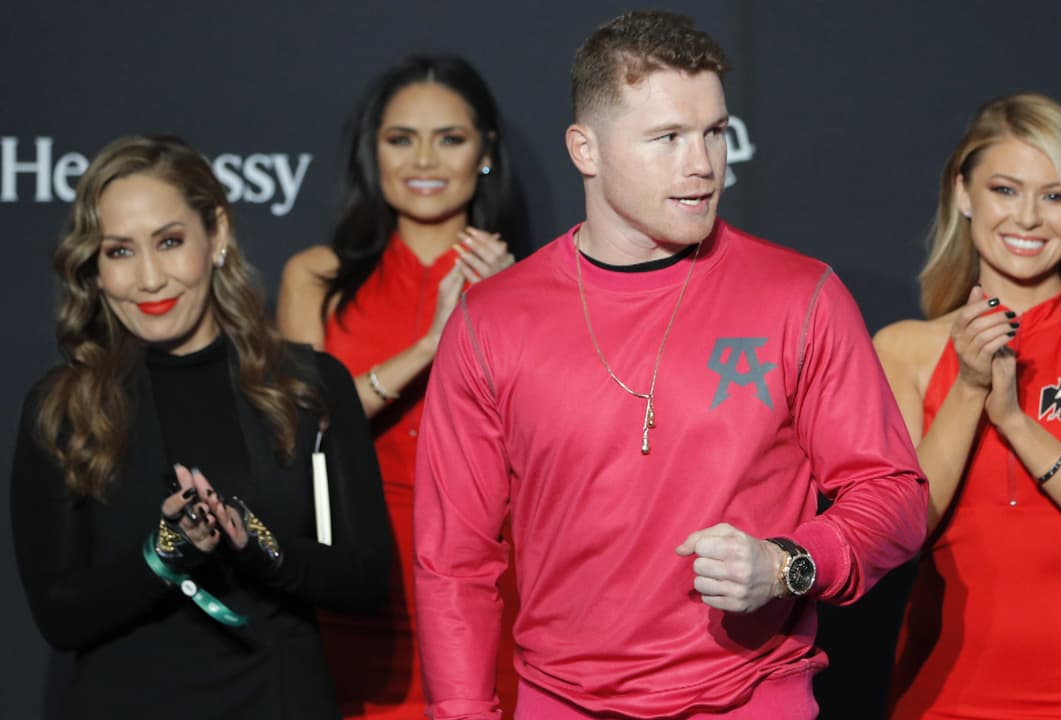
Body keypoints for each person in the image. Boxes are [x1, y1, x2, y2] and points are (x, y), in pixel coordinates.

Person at [413, 11, 928, 719]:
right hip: (561, 702)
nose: (702, 164)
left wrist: (786, 563)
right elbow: (453, 562)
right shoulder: (491, 321)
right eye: (667, 138)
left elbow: (893, 496)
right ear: (586, 150)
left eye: (714, 132)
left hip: (754, 698)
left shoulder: (800, 295)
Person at [10, 135, 392, 719]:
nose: (149, 278)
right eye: (119, 251)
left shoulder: (308, 386)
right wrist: (165, 554)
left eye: (169, 242)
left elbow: (365, 581)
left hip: (279, 699)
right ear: (95, 269)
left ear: (217, 234)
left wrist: (258, 544)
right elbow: (58, 614)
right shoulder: (63, 407)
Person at [875, 94, 1061, 718]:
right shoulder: (904, 350)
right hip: (942, 687)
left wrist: (1015, 421)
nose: (1029, 217)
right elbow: (903, 529)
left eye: (1055, 196)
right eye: (1006, 190)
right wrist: (969, 387)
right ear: (964, 193)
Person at [276, 55, 518, 718]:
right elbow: (302, 429)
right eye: (401, 138)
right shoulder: (315, 278)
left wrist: (511, 302)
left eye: (450, 138)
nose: (425, 161)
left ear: (485, 153)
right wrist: (432, 345)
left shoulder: (529, 283)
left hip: (488, 589)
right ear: (372, 152)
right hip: (356, 580)